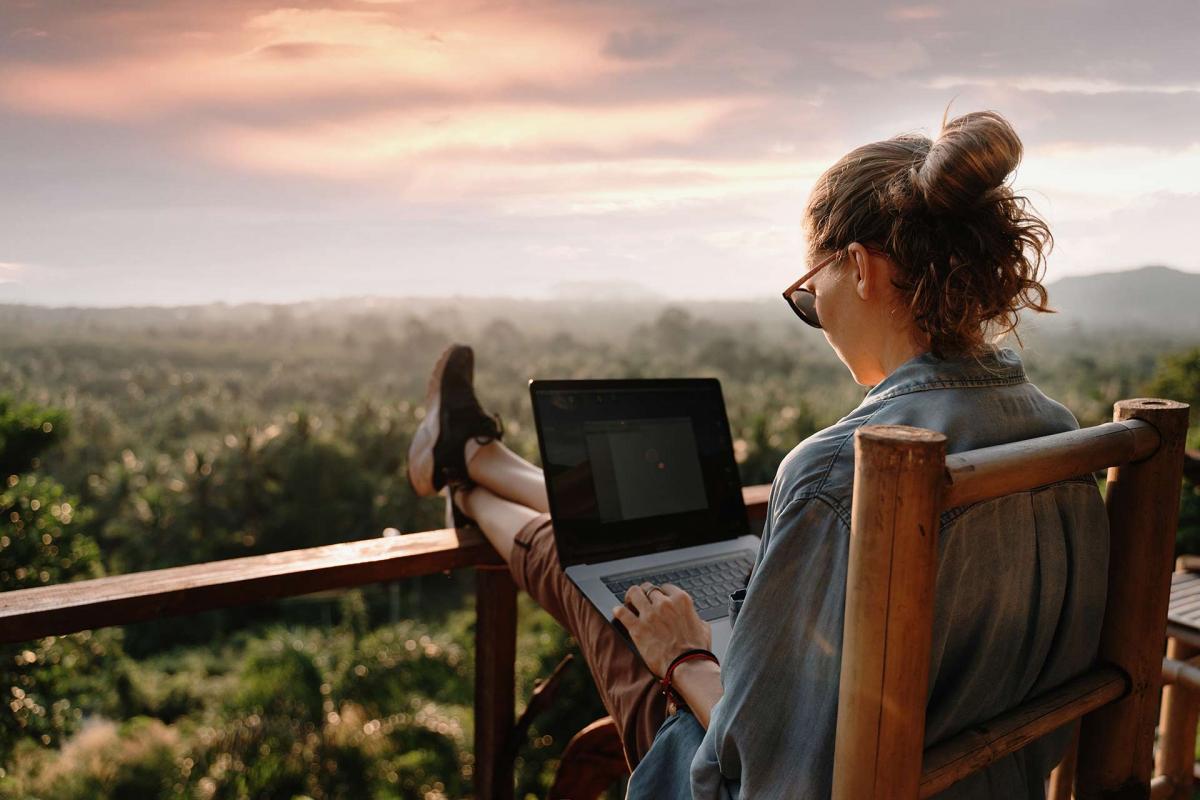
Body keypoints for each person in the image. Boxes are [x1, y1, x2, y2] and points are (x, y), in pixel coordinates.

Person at [406, 109, 1108, 799]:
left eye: (811, 294)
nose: (817, 316)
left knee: (596, 569)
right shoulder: (1060, 435)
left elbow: (773, 777)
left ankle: (465, 476)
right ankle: (474, 461)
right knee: (621, 554)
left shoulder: (842, 472)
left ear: (859, 268)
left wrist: (684, 658)